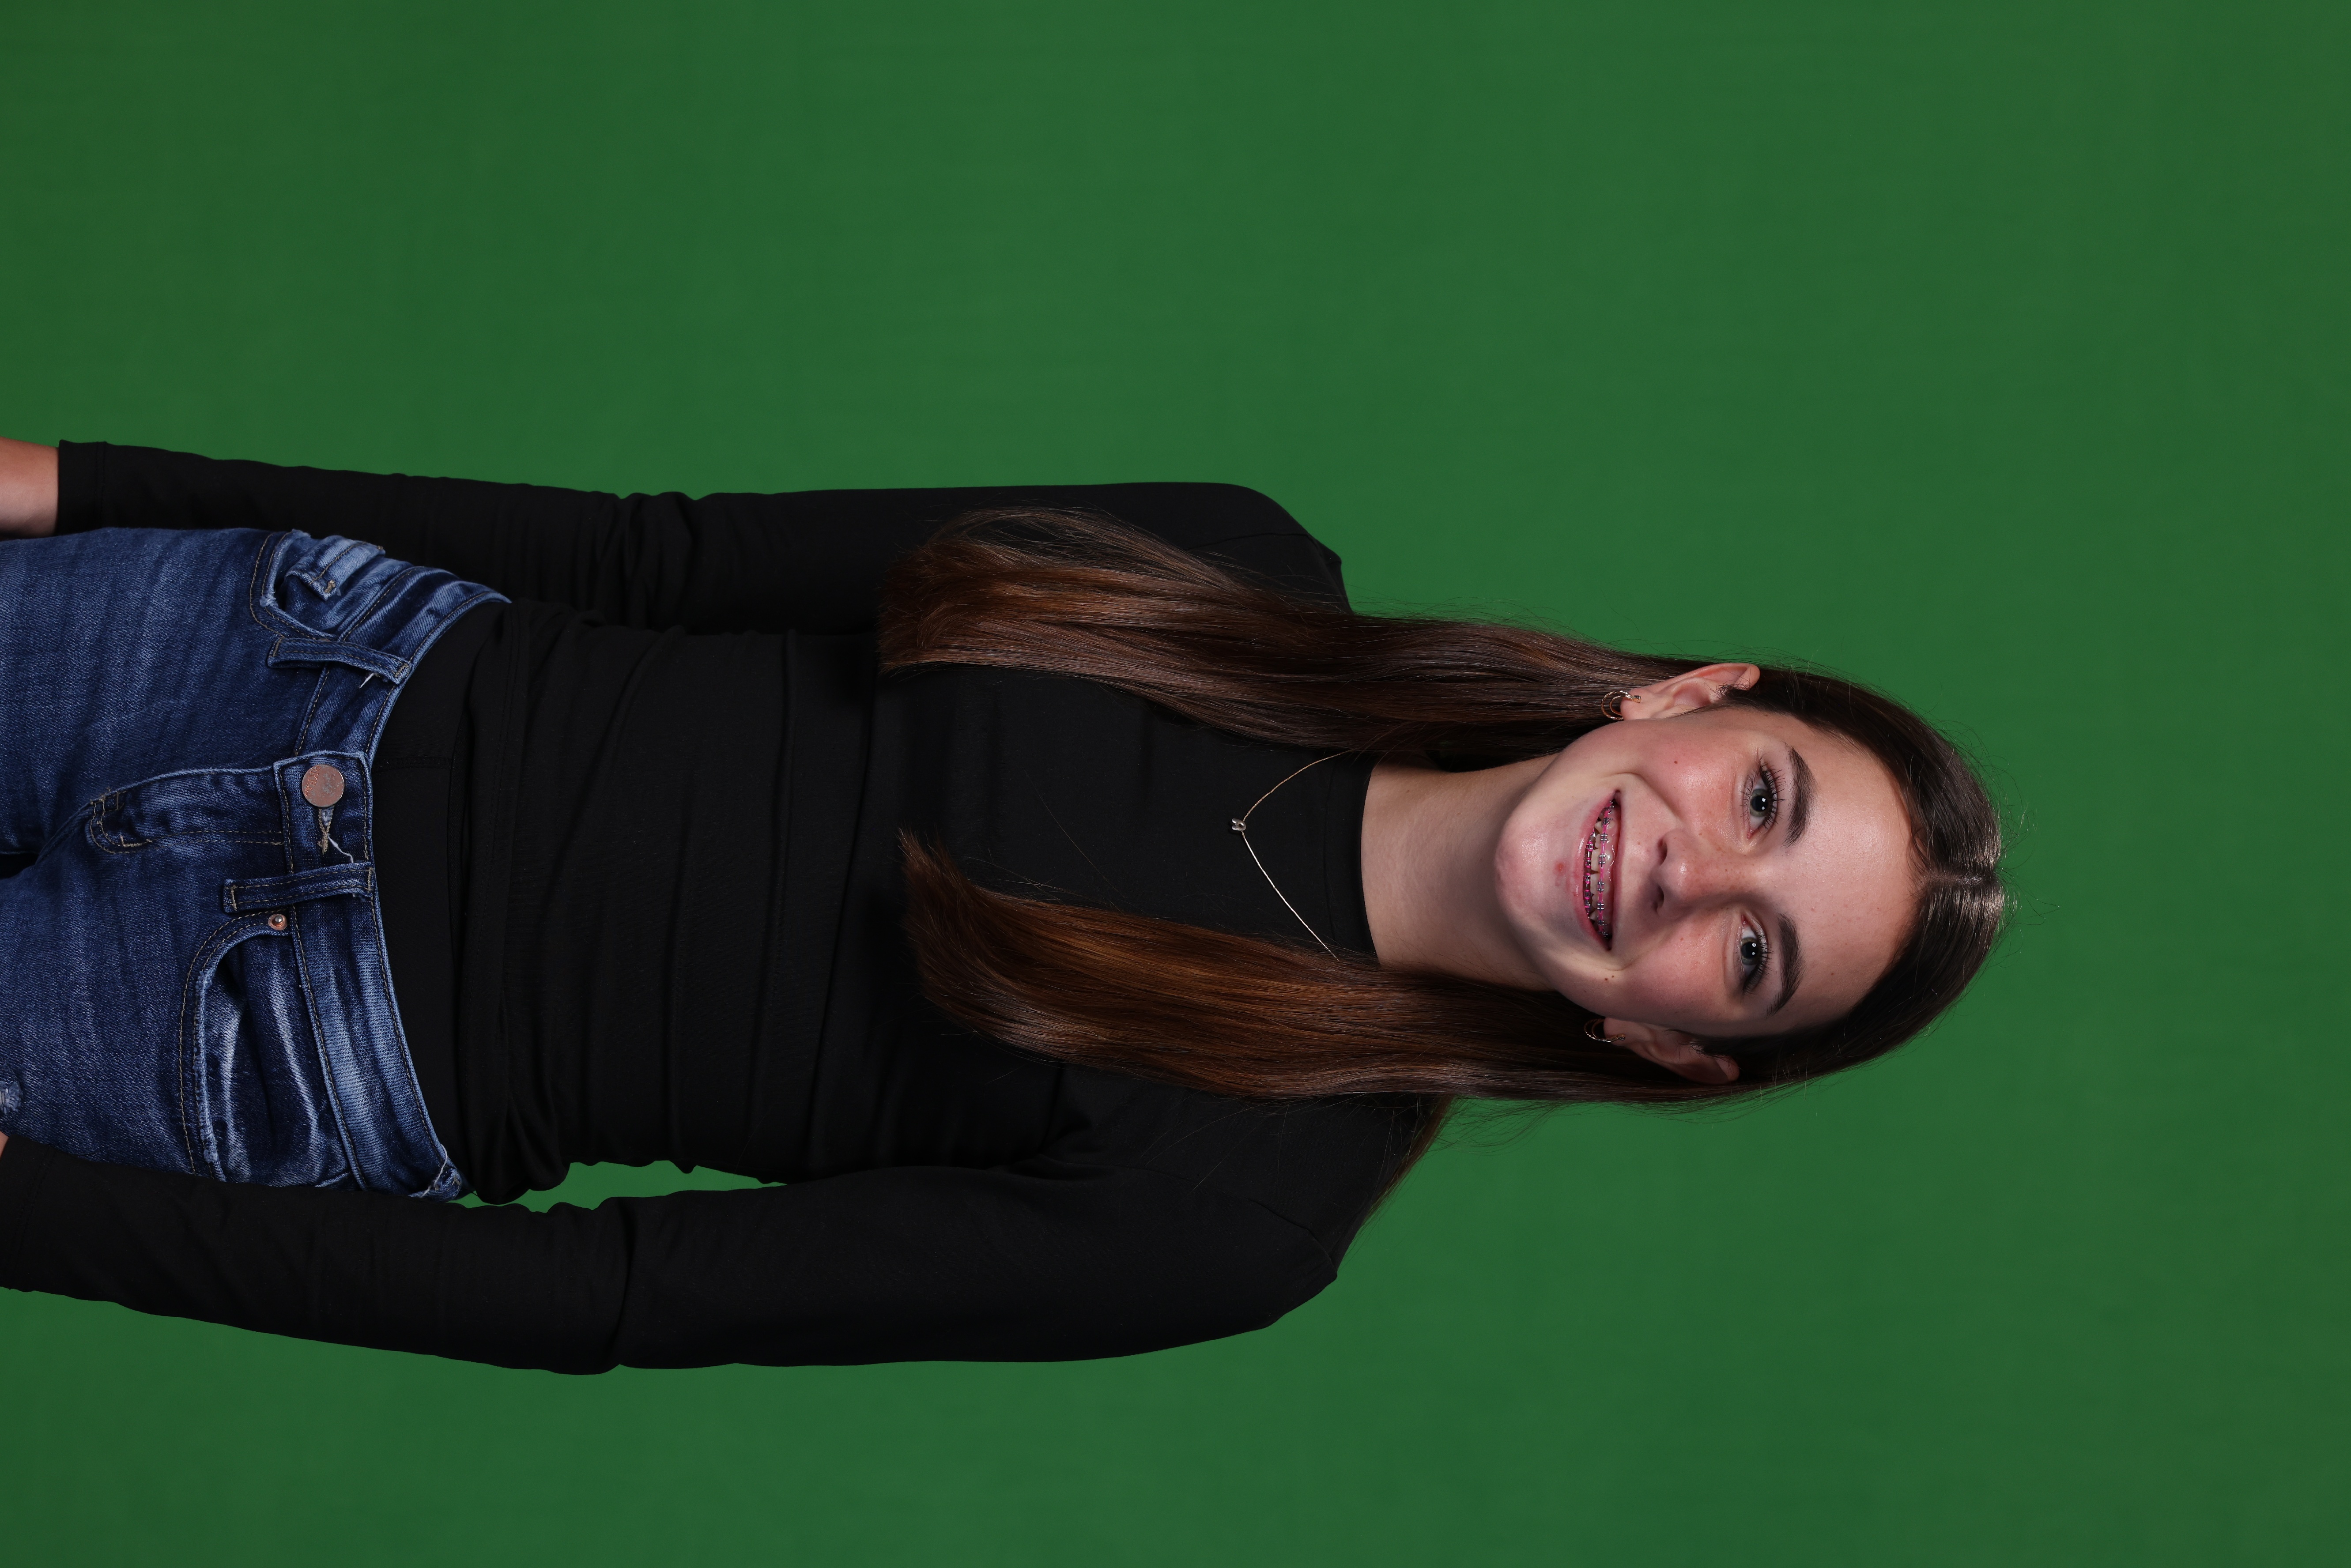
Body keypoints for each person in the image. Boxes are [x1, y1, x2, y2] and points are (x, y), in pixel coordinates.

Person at [0, 437, 2006, 1372]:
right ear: (1691, 699)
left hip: (248, 1034)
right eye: (1763, 798)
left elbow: (611, 1295)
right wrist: (77, 488)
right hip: (259, 653)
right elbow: (648, 554)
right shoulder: (1230, 565)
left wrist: (32, 1216)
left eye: (1752, 953)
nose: (1688, 868)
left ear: (1670, 1043)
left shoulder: (1235, 1216)